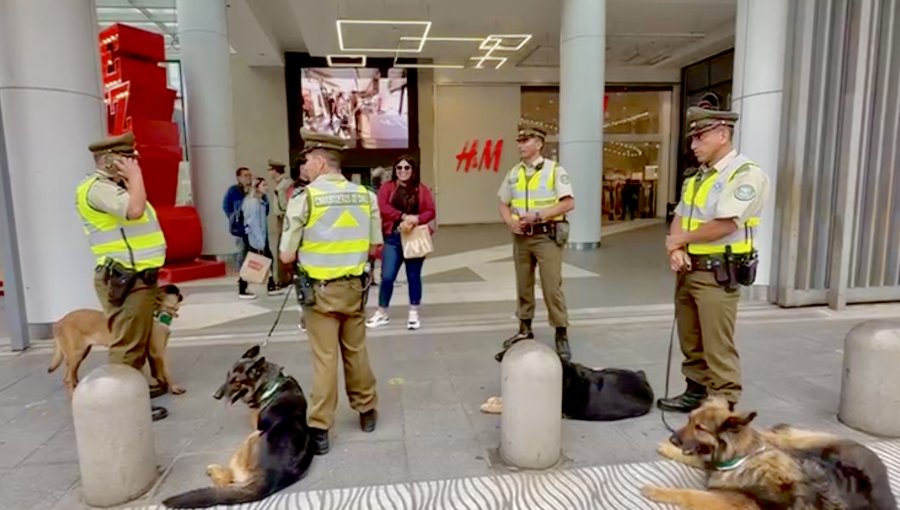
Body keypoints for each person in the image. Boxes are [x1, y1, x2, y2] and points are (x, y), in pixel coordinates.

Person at [657, 105, 770, 413]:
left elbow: (726, 224)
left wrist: (680, 240)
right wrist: (676, 249)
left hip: (718, 275)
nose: (694, 145)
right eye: (692, 139)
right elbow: (680, 215)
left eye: (700, 137)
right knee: (690, 337)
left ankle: (723, 405)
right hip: (689, 269)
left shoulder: (745, 175)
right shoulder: (694, 179)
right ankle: (695, 392)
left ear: (723, 134)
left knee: (717, 344)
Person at [279, 130, 382, 455]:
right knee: (356, 350)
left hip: (319, 295)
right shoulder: (366, 196)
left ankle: (321, 428)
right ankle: (367, 411)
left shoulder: (304, 199)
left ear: (321, 161)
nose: (304, 166)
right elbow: (375, 246)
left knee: (325, 360)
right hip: (354, 289)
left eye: (307, 160)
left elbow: (285, 255)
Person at [74, 131, 169, 421]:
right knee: (127, 345)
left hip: (138, 278)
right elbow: (135, 210)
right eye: (127, 159)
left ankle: (131, 394)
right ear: (109, 160)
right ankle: (122, 408)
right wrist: (136, 176)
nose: (133, 163)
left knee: (134, 342)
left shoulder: (114, 187)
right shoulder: (99, 188)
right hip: (127, 279)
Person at [496, 126, 576, 361]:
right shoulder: (513, 172)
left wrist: (540, 215)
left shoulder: (554, 170)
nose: (520, 145)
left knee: (552, 286)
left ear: (539, 144)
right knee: (523, 284)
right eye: (519, 141)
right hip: (522, 236)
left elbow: (568, 203)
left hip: (546, 235)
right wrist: (510, 221)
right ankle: (524, 328)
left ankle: (561, 332)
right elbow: (503, 202)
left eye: (525, 140)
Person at [365, 155, 436, 330]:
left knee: (413, 276)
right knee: (387, 276)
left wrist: (416, 219)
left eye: (407, 168)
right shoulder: (387, 188)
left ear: (413, 170)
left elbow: (430, 210)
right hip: (393, 237)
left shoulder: (421, 189)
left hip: (414, 237)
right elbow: (383, 208)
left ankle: (413, 312)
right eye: (399, 168)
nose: (403, 171)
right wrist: (403, 217)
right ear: (395, 170)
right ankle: (382, 311)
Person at [239, 177, 279, 296]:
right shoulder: (253, 203)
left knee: (266, 259)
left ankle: (270, 284)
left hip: (259, 237)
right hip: (254, 238)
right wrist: (260, 240)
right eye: (263, 185)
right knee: (251, 261)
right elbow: (253, 223)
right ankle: (243, 287)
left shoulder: (260, 202)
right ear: (257, 188)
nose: (266, 188)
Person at [268, 159, 292, 291]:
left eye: (271, 169)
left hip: (285, 217)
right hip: (280, 217)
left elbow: (287, 202)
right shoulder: (280, 183)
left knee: (282, 248)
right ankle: (283, 277)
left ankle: (284, 278)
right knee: (280, 247)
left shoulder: (286, 184)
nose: (269, 172)